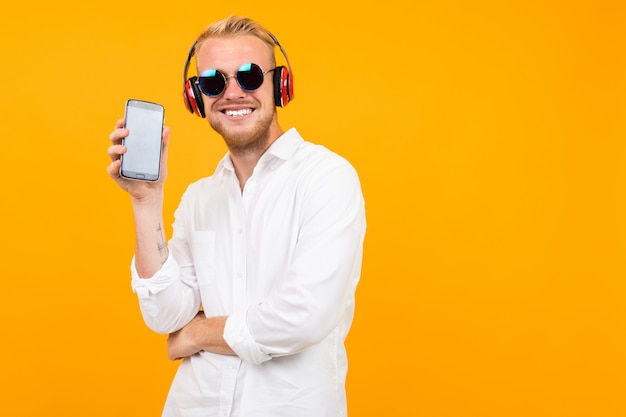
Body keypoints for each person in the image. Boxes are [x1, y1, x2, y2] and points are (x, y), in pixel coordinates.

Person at [107, 15, 366, 417]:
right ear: (197, 98)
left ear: (280, 84)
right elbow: (164, 314)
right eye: (213, 81)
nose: (232, 93)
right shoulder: (198, 198)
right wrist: (146, 200)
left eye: (249, 76)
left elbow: (301, 318)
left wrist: (195, 334)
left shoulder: (327, 178)